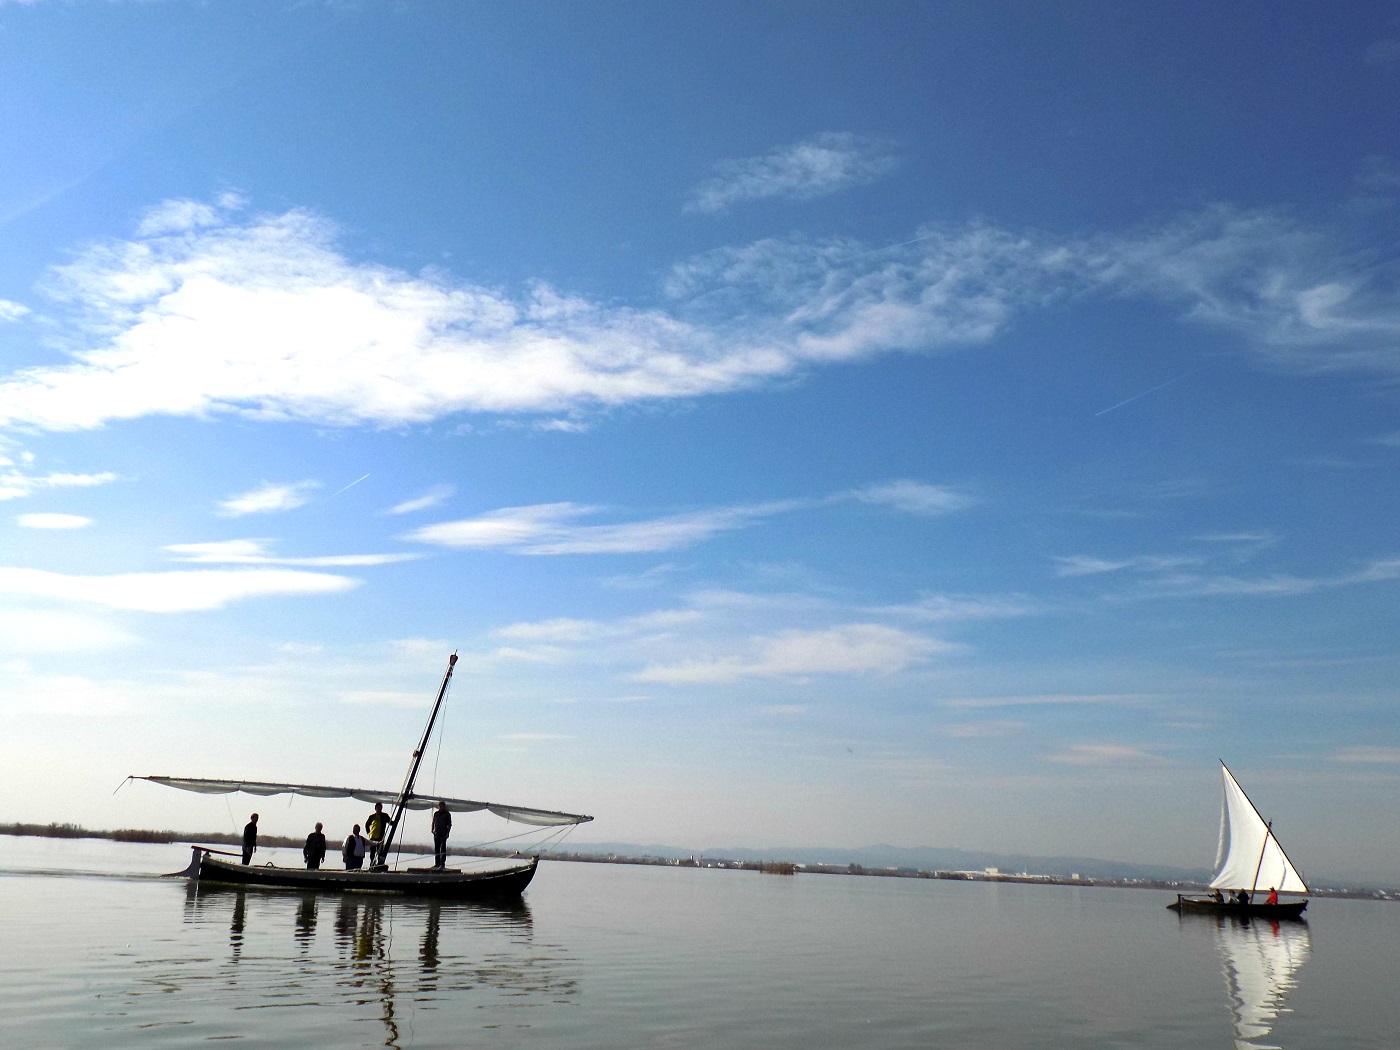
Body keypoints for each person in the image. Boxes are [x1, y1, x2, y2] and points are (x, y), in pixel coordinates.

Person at [431, 801, 452, 869]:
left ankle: (442, 864)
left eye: (442, 806)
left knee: (442, 848)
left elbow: (449, 825)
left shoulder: (447, 814)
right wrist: (432, 829)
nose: (441, 807)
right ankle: (437, 863)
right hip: (436, 833)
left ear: (444, 806)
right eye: (439, 806)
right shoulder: (436, 813)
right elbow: (433, 822)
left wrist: (448, 833)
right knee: (437, 848)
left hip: (443, 833)